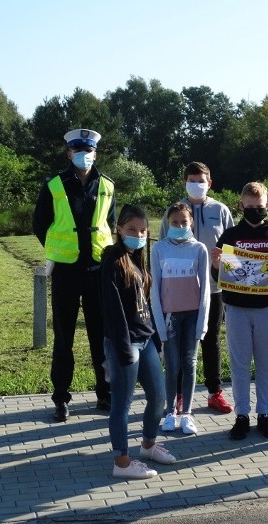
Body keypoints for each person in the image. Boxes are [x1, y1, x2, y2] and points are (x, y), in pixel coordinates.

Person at [32, 128, 114, 422]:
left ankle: (105, 394)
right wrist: (58, 249)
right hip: (66, 271)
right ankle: (61, 399)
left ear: (95, 152)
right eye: (78, 150)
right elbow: (40, 223)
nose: (84, 155)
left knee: (101, 335)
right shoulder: (54, 185)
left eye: (89, 150)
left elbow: (110, 224)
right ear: (69, 153)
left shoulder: (106, 185)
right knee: (64, 338)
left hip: (96, 270)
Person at [210, 182, 268, 440]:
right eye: (250, 207)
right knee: (239, 364)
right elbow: (219, 274)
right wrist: (215, 264)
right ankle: (242, 415)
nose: (255, 211)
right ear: (241, 206)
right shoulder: (230, 236)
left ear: (267, 206)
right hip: (236, 308)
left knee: (266, 364)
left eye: (260, 207)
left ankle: (265, 414)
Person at [101, 204, 176, 479]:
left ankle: (148, 445)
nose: (138, 234)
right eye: (131, 229)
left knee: (159, 397)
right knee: (122, 403)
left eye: (143, 230)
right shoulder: (112, 260)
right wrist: (122, 350)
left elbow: (145, 306)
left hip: (145, 341)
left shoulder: (137, 258)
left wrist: (155, 338)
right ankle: (121, 463)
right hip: (125, 344)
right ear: (119, 229)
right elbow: (112, 311)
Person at [158, 162, 234, 414]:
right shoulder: (174, 210)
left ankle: (215, 392)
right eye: (192, 180)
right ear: (184, 183)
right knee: (179, 346)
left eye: (201, 180)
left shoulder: (221, 210)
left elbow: (233, 248)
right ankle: (179, 395)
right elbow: (161, 247)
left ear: (209, 183)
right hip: (178, 292)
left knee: (211, 340)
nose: (196, 184)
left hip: (213, 289)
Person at [151, 203, 210, 436]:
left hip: (192, 315)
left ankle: (186, 413)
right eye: (175, 222)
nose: (179, 226)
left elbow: (205, 288)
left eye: (184, 222)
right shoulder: (159, 249)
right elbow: (154, 288)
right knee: (172, 364)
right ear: (167, 223)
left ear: (191, 223)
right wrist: (159, 325)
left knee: (190, 362)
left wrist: (202, 324)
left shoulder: (199, 249)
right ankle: (169, 412)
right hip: (169, 316)